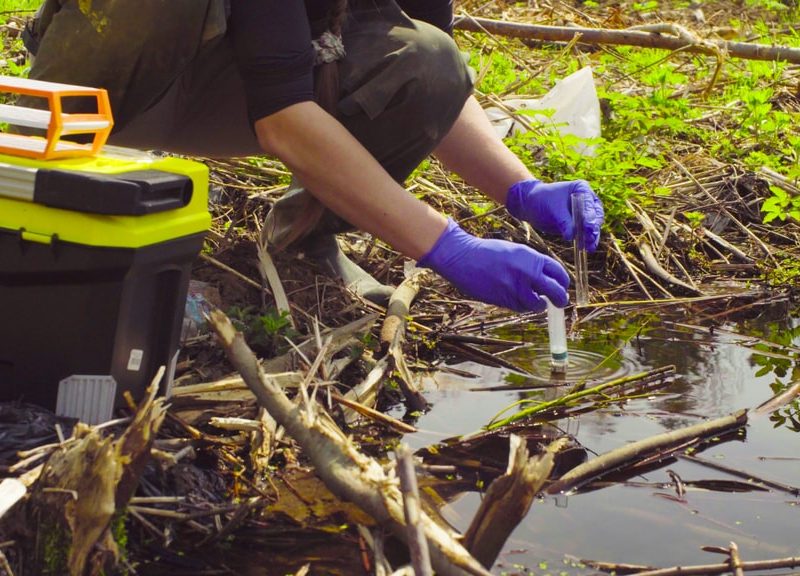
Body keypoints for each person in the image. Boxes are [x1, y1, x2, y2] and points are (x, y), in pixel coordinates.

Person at [22, 0, 604, 312]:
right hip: (108, 83)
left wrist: (520, 190)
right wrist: (445, 246)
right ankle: (52, 174)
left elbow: (431, 77)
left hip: (233, 79)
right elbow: (282, 121)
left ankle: (303, 238)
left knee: (426, 56)